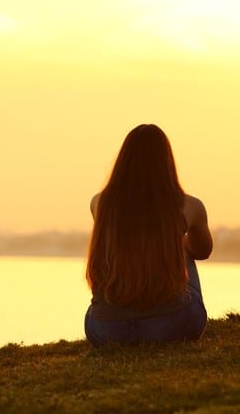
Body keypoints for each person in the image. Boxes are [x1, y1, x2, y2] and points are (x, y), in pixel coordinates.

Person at [84, 124, 213, 345]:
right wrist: (177, 241)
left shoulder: (100, 204)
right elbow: (202, 250)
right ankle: (164, 309)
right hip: (170, 327)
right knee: (183, 246)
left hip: (105, 331)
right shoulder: (188, 207)